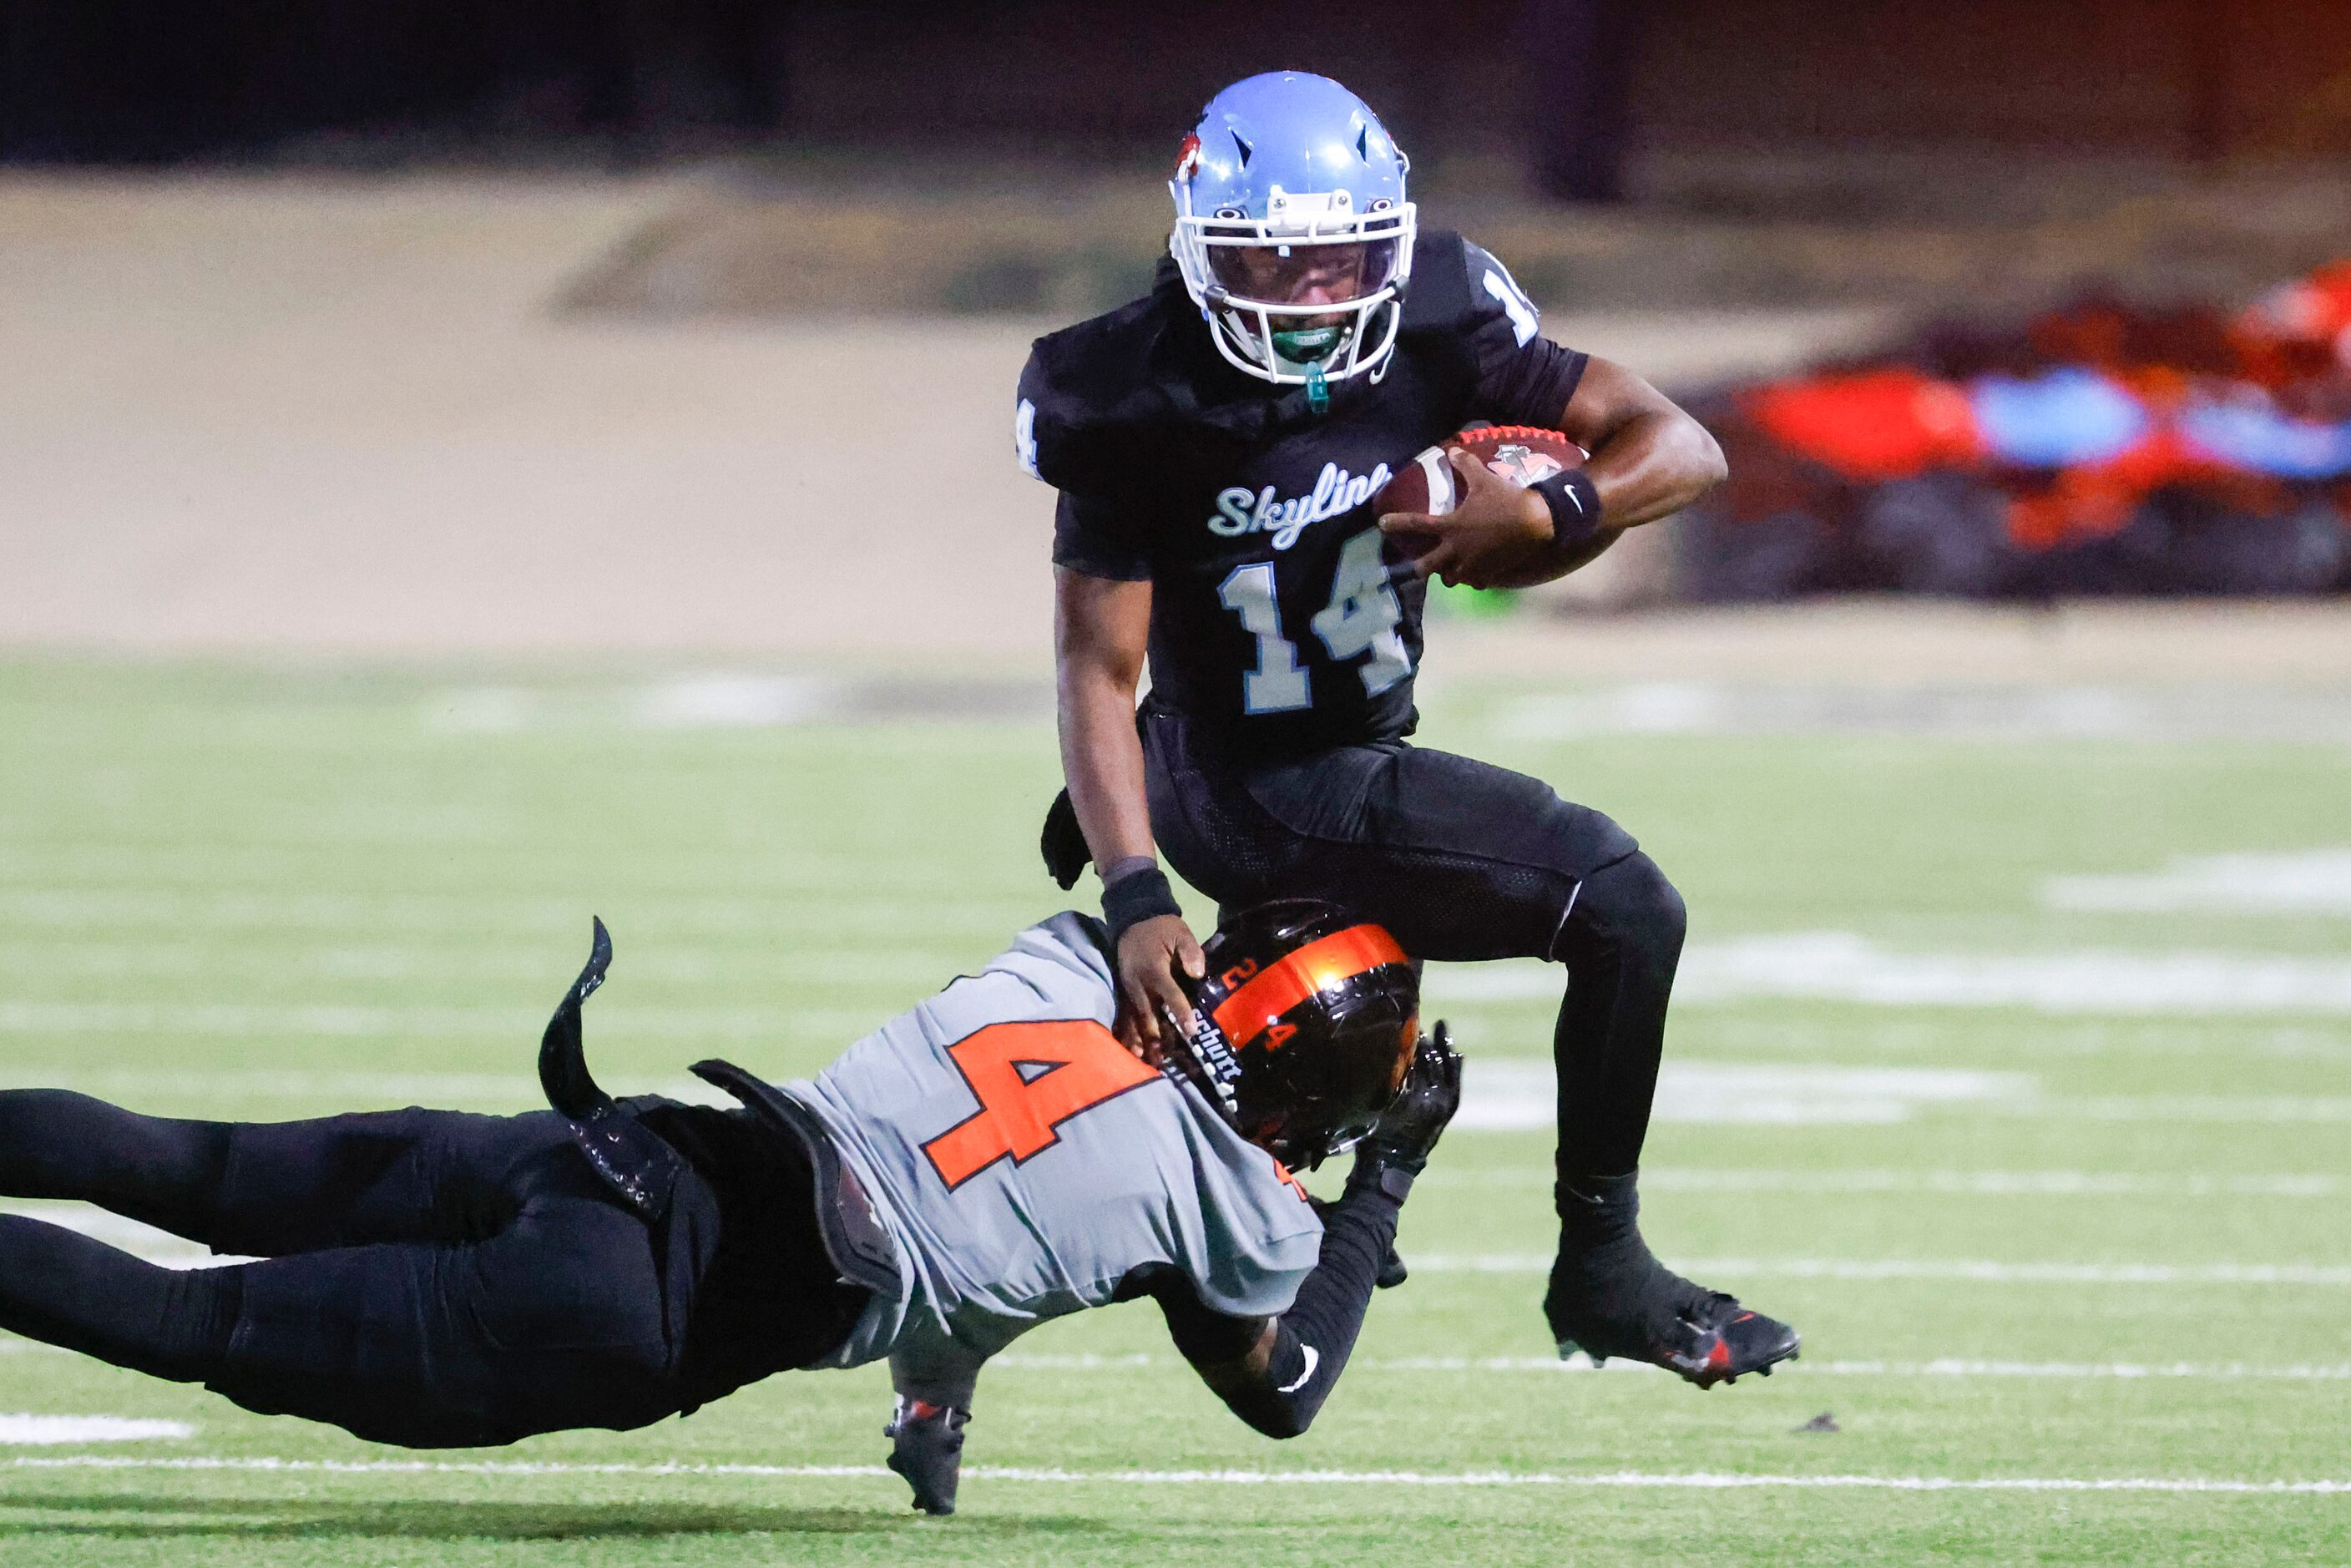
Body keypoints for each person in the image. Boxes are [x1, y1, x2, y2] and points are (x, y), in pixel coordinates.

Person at [1024, 70, 1797, 1385]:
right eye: (1282, 265)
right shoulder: (1126, 390)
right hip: (1254, 771)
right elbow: (1098, 666)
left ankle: (1245, 1219)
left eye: (1344, 259)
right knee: (1627, 907)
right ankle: (1601, 1265)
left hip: (1330, 746)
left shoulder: (1442, 314)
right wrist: (1135, 882)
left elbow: (1686, 447)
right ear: (1201, 250)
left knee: (1311, 1053)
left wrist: (1551, 513)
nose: (1321, 297)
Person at [0, 902, 1458, 1516]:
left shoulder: (1071, 970)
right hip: (634, 1310)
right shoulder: (1223, 1207)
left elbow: (989, 1207)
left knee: (192, 1164)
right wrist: (1382, 1181)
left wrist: (932, 1402)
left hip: (611, 1149)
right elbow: (1286, 1388)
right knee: (196, 1318)